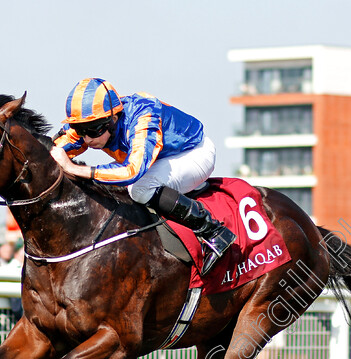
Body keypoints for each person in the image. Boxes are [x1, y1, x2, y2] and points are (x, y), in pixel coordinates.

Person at [50, 77, 235, 274]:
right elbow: (51, 150)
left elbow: (133, 171)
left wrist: (76, 169)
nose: (86, 138)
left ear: (113, 119)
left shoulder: (143, 114)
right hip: (155, 160)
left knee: (139, 189)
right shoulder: (94, 121)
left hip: (193, 153)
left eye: (93, 130)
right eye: (80, 130)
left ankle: (212, 230)